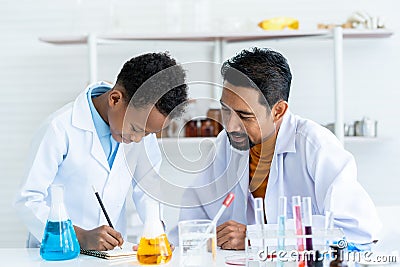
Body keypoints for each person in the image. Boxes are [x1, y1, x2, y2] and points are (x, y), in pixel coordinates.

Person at [170, 47, 381, 250]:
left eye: (244, 116)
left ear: (278, 111)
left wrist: (258, 237)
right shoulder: (225, 144)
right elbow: (192, 221)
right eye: (226, 110)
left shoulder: (315, 145)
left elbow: (360, 230)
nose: (231, 126)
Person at [14, 52, 188, 250]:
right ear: (115, 99)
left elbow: (148, 189)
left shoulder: (141, 131)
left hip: (110, 256)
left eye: (148, 134)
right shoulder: (59, 128)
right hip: (56, 254)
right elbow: (27, 199)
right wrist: (79, 237)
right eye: (136, 129)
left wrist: (156, 230)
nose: (138, 139)